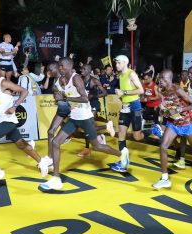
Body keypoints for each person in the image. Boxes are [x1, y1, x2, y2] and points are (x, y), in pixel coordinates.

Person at [39, 57, 129, 191]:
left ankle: (121, 154)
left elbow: (85, 98)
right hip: (74, 118)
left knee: (97, 146)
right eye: (59, 66)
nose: (60, 68)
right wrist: (58, 95)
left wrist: (66, 97)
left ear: (69, 66)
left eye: (62, 66)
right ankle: (56, 178)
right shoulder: (62, 80)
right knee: (56, 142)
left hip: (85, 118)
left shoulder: (76, 78)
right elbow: (59, 93)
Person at [0, 61, 47, 186]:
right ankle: (42, 161)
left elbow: (24, 91)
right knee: (22, 145)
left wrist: (15, 106)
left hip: (9, 121)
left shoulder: (4, 83)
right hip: (3, 121)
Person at [152, 70, 192, 190]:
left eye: (163, 78)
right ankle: (165, 179)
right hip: (173, 122)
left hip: (186, 122)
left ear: (170, 79)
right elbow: (165, 106)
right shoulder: (161, 90)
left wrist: (178, 110)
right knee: (163, 146)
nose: (160, 80)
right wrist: (163, 112)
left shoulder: (177, 89)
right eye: (160, 78)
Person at [110, 55, 147, 172]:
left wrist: (124, 92)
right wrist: (121, 96)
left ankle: (153, 130)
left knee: (137, 137)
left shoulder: (131, 74)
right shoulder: (120, 75)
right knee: (121, 134)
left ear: (125, 63)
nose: (116, 65)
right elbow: (123, 93)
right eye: (116, 63)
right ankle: (123, 162)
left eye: (119, 63)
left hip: (134, 106)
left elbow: (141, 90)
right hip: (125, 107)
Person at [38, 61, 72, 173]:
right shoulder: (55, 80)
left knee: (84, 132)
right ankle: (50, 158)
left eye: (50, 69)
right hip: (62, 108)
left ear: (56, 69)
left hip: (72, 108)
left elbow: (71, 93)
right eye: (47, 70)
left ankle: (101, 133)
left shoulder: (63, 79)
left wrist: (61, 97)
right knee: (51, 131)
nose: (48, 72)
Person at [78, 64, 114, 158]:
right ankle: (103, 132)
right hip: (85, 105)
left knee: (88, 126)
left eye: (84, 69)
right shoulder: (80, 79)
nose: (82, 70)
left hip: (93, 104)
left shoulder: (94, 80)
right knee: (86, 126)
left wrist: (94, 96)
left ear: (89, 71)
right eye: (81, 68)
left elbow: (105, 93)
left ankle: (87, 149)